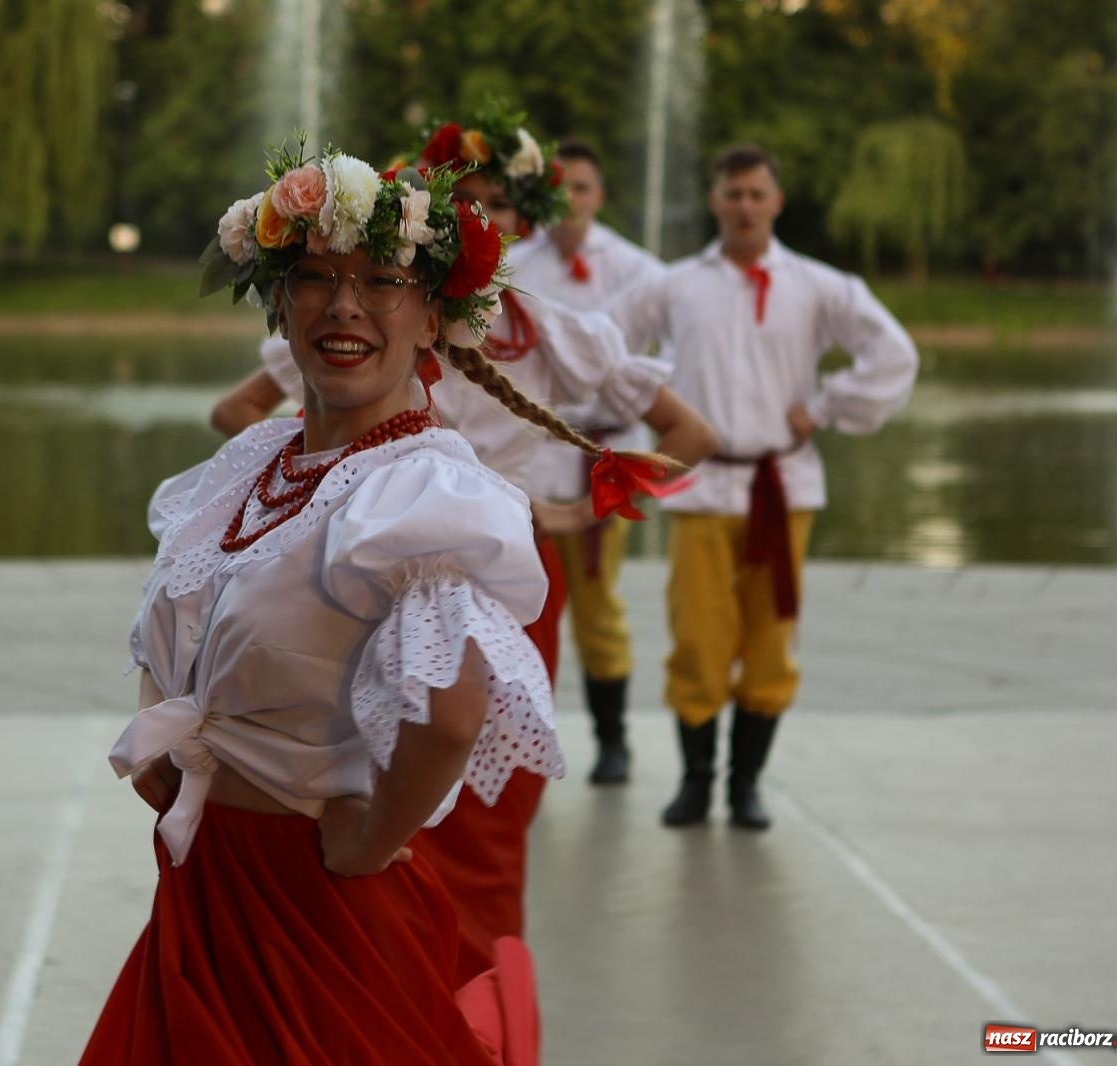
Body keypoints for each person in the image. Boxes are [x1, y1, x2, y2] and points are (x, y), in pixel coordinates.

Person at [81, 141, 682, 1065]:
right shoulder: (258, 464)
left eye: (382, 280)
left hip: (316, 908)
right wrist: (176, 753)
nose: (345, 304)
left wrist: (367, 839)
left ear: (435, 317)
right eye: (316, 276)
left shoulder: (422, 491)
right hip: (203, 887)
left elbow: (450, 716)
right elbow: (178, 620)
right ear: (278, 302)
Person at [210, 112, 716, 978]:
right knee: (361, 782)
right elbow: (236, 412)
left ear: (525, 224)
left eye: (498, 205)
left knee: (482, 813)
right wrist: (310, 475)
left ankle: (472, 1005)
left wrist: (568, 514)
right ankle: (376, 989)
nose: (484, 216)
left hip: (499, 570)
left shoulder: (549, 329)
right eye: (465, 203)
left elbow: (688, 433)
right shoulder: (379, 308)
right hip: (360, 569)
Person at [616, 143, 918, 830]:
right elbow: (604, 342)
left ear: (776, 202)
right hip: (698, 486)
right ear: (715, 201)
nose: (745, 206)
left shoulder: (818, 285)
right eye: (733, 193)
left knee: (771, 637)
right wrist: (649, 404)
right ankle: (696, 780)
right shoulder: (677, 285)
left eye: (757, 194)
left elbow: (894, 353)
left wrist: (829, 405)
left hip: (781, 485)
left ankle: (745, 783)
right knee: (696, 635)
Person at [510, 137, 668, 785]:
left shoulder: (640, 271)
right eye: (561, 187)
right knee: (522, 602)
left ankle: (612, 739)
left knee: (599, 602)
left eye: (583, 187)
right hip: (529, 457)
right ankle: (520, 737)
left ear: (599, 197)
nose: (571, 200)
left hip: (601, 453)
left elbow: (683, 354)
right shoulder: (511, 265)